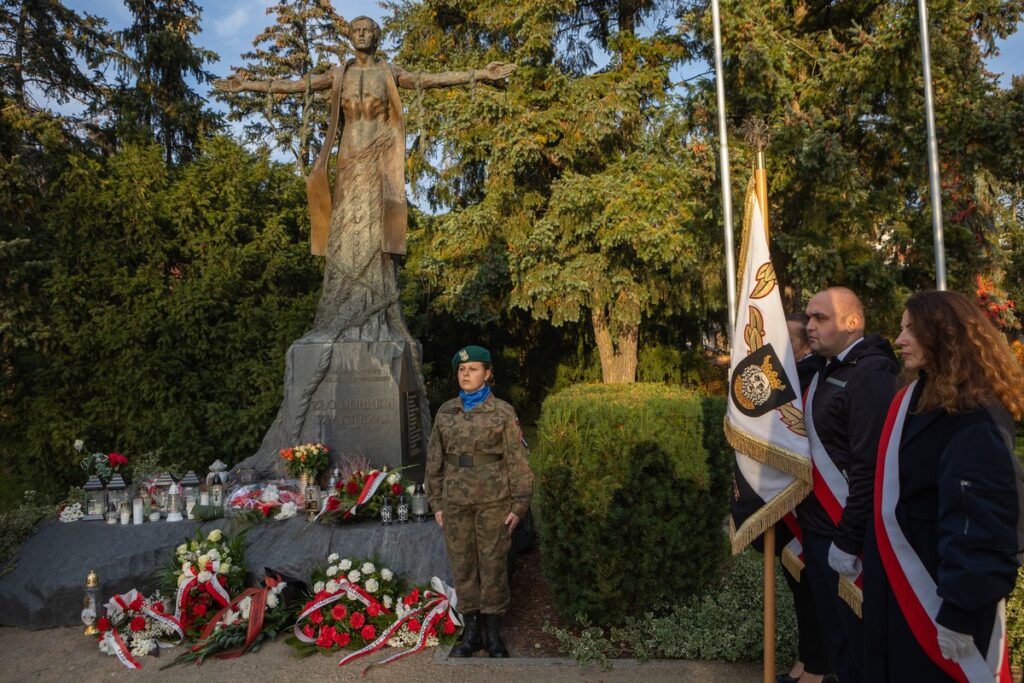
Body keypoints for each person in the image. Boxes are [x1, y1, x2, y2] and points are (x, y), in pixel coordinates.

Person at [863, 290, 1024, 682]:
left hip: (942, 602)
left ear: (945, 335)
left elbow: (985, 525)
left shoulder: (976, 417)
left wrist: (960, 608)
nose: (899, 339)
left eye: (911, 330)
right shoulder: (918, 400)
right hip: (902, 598)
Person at [799, 286, 900, 683]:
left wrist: (847, 539)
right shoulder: (822, 369)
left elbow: (868, 467)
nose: (809, 326)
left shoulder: (870, 376)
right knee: (837, 641)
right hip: (817, 529)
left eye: (820, 318)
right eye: (808, 317)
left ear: (852, 322)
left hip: (849, 536)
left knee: (862, 648)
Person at [425, 345, 534, 658]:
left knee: (493, 565)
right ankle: (470, 633)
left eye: (472, 369)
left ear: (487, 374)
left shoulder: (502, 412)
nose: (465, 374)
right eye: (461, 370)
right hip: (455, 502)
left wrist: (519, 505)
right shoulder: (446, 411)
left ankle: (493, 634)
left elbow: (517, 460)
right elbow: (434, 460)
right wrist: (437, 502)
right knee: (463, 565)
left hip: (494, 502)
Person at [777, 312, 830, 683]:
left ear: (804, 347)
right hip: (790, 500)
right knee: (802, 590)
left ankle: (817, 665)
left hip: (811, 503)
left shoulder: (810, 377)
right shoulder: (792, 377)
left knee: (812, 590)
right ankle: (809, 659)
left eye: (787, 341)